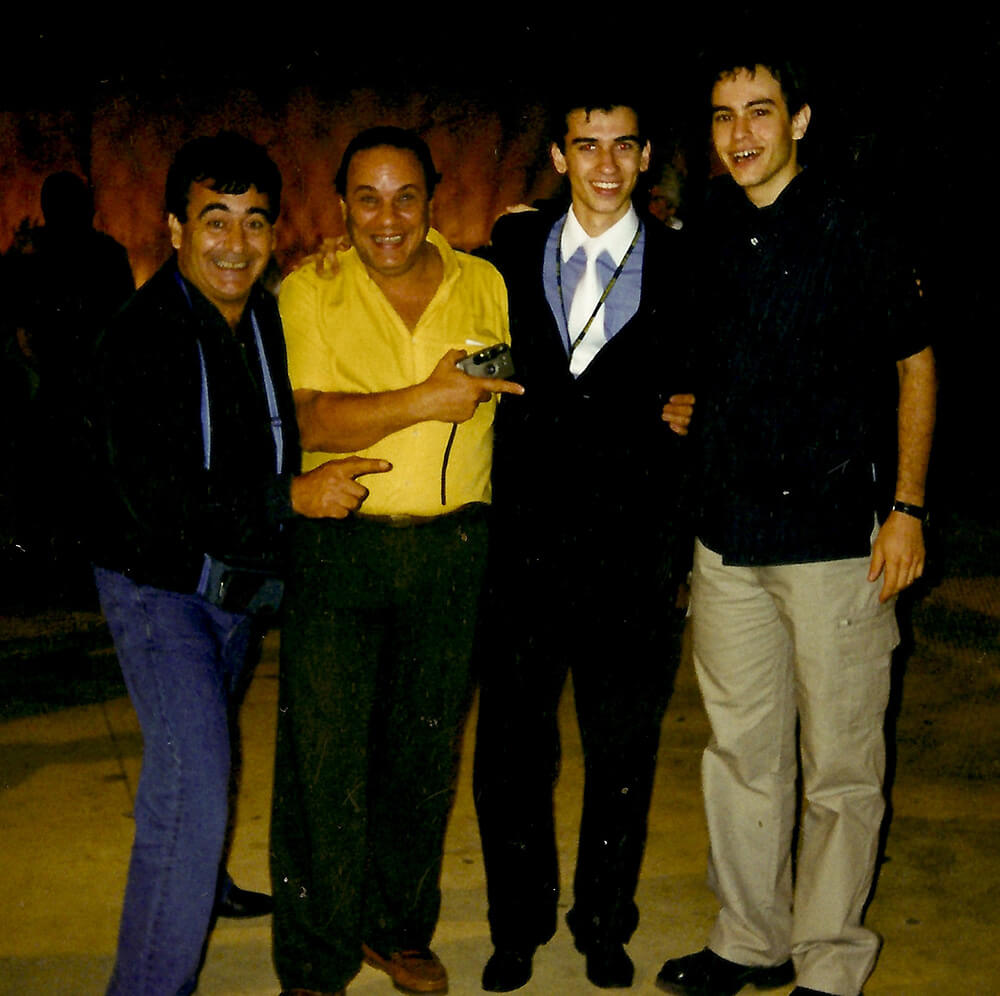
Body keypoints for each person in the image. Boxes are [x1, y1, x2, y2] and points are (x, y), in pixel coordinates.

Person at [655, 55, 935, 996]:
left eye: (760, 112)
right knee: (741, 755)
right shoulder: (708, 224)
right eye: (723, 116)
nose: (740, 134)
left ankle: (828, 961)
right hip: (728, 540)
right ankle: (750, 939)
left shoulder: (856, 226)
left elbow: (915, 366)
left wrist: (906, 509)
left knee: (842, 767)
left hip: (837, 544)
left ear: (801, 120)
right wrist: (696, 405)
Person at [91, 132, 388, 996]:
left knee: (201, 761)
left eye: (255, 222)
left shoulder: (264, 315)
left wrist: (333, 265)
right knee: (192, 785)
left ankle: (200, 884)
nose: (235, 243)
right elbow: (160, 497)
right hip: (159, 588)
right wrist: (290, 497)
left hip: (235, 592)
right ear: (174, 228)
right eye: (214, 220)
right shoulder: (137, 337)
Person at [269, 126, 523, 996]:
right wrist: (425, 398)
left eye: (405, 197)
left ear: (432, 201)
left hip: (452, 550)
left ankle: (397, 930)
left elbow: (499, 383)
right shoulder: (309, 290)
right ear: (342, 207)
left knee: (422, 758)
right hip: (343, 546)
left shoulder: (483, 282)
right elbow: (307, 419)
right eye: (368, 199)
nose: (388, 219)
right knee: (324, 761)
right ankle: (315, 956)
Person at [472, 94, 695, 991]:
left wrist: (702, 412)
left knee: (621, 753)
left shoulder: (684, 264)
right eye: (586, 146)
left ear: (645, 157)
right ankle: (516, 926)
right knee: (512, 754)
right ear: (560, 157)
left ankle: (605, 922)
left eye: (622, 146)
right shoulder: (510, 250)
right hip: (524, 553)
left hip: (632, 559)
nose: (605, 164)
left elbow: (720, 371)